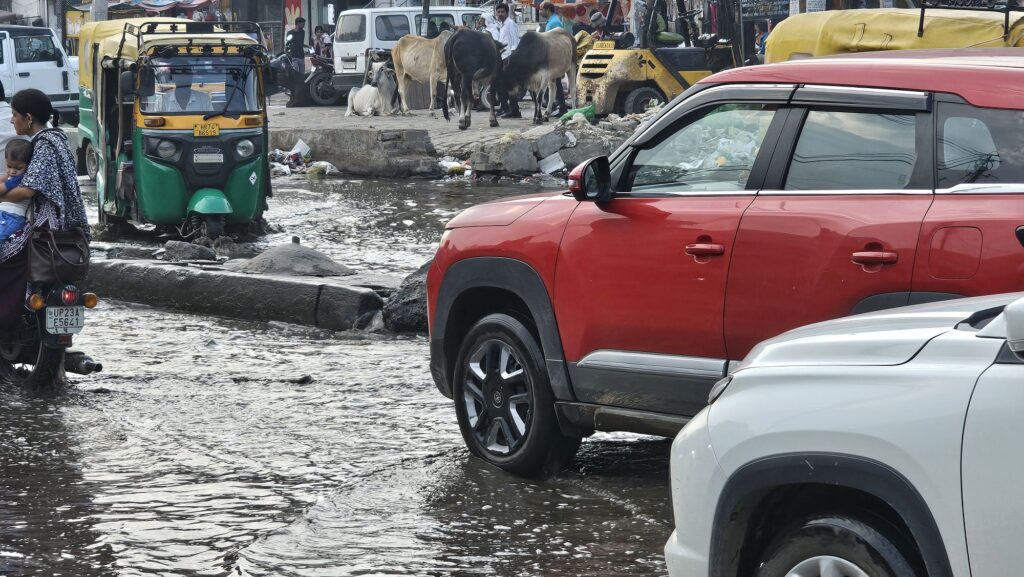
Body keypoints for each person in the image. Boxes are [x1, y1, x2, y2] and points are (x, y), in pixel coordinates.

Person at [0, 89, 88, 327]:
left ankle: (8, 318)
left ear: (28, 118)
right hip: (55, 229)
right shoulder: (53, 139)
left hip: (47, 230)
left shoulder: (46, 144)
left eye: (15, 115)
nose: (11, 120)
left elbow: (29, 190)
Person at [538, 1, 570, 117]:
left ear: (547, 9)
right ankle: (555, 107)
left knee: (555, 83)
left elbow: (559, 42)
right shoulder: (551, 21)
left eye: (541, 9)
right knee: (553, 83)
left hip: (555, 58)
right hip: (551, 57)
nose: (540, 11)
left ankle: (561, 108)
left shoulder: (554, 22)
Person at [493, 3, 521, 118]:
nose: (500, 14)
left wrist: (511, 59)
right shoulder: (502, 25)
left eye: (502, 12)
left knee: (510, 85)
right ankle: (512, 109)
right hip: (502, 58)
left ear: (507, 12)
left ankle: (515, 111)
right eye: (498, 12)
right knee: (505, 85)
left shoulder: (510, 24)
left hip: (509, 59)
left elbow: (515, 43)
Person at [0, 139, 30, 242]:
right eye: (9, 166)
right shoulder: (11, 176)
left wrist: (8, 184)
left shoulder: (24, 178)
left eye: (18, 168)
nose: (12, 171)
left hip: (12, 216)